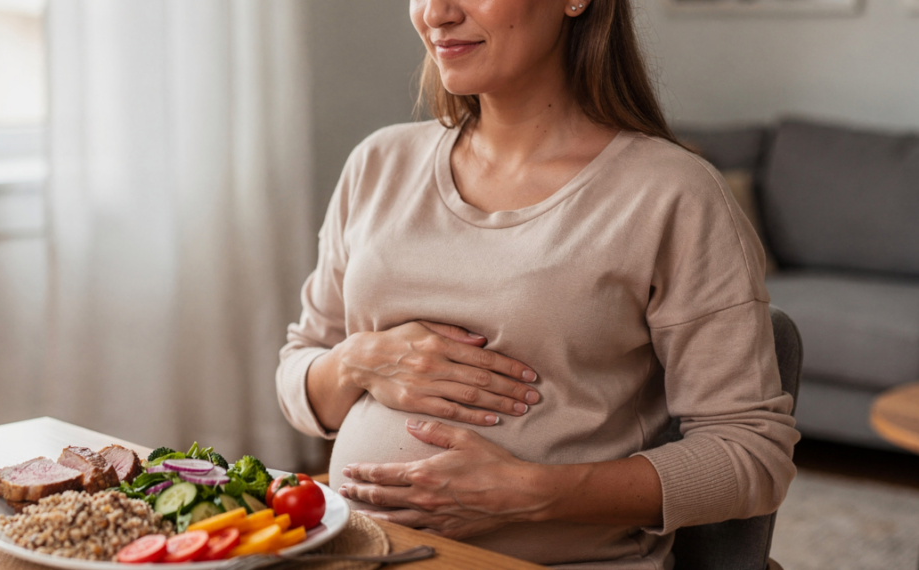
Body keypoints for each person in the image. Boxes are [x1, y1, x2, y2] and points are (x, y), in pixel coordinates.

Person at [276, 0, 799, 567]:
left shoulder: (674, 194)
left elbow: (750, 456)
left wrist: (530, 494)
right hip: (353, 550)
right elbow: (299, 373)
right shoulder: (376, 164)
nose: (435, 13)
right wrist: (357, 362)